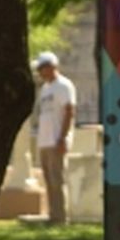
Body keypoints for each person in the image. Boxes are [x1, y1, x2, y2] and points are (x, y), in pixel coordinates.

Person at [33, 51, 76, 224]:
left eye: (43, 68)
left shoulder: (64, 85)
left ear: (52, 67)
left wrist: (62, 138)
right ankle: (53, 215)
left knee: (57, 180)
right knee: (49, 181)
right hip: (44, 140)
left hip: (56, 140)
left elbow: (69, 111)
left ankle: (61, 217)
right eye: (40, 69)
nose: (41, 72)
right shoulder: (45, 88)